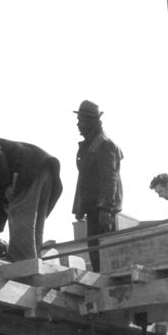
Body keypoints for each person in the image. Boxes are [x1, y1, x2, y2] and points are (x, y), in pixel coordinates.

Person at [0, 138, 63, 261]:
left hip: (28, 170)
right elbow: (3, 203)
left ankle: (21, 262)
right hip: (46, 170)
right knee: (34, 225)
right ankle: (32, 261)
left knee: (20, 216)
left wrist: (8, 185)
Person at [72, 100, 123, 272]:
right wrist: (81, 206)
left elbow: (110, 178)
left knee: (103, 254)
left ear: (92, 121)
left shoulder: (103, 144)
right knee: (95, 250)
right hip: (94, 208)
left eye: (81, 120)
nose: (78, 124)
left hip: (101, 209)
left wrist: (106, 208)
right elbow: (86, 179)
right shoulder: (92, 144)